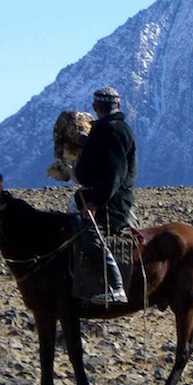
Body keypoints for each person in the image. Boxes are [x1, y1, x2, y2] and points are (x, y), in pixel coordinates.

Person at [73, 86, 138, 305]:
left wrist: (95, 203)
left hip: (110, 201)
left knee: (90, 234)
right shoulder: (112, 129)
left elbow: (115, 174)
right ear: (118, 105)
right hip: (106, 196)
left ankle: (116, 286)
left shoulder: (111, 131)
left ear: (95, 107)